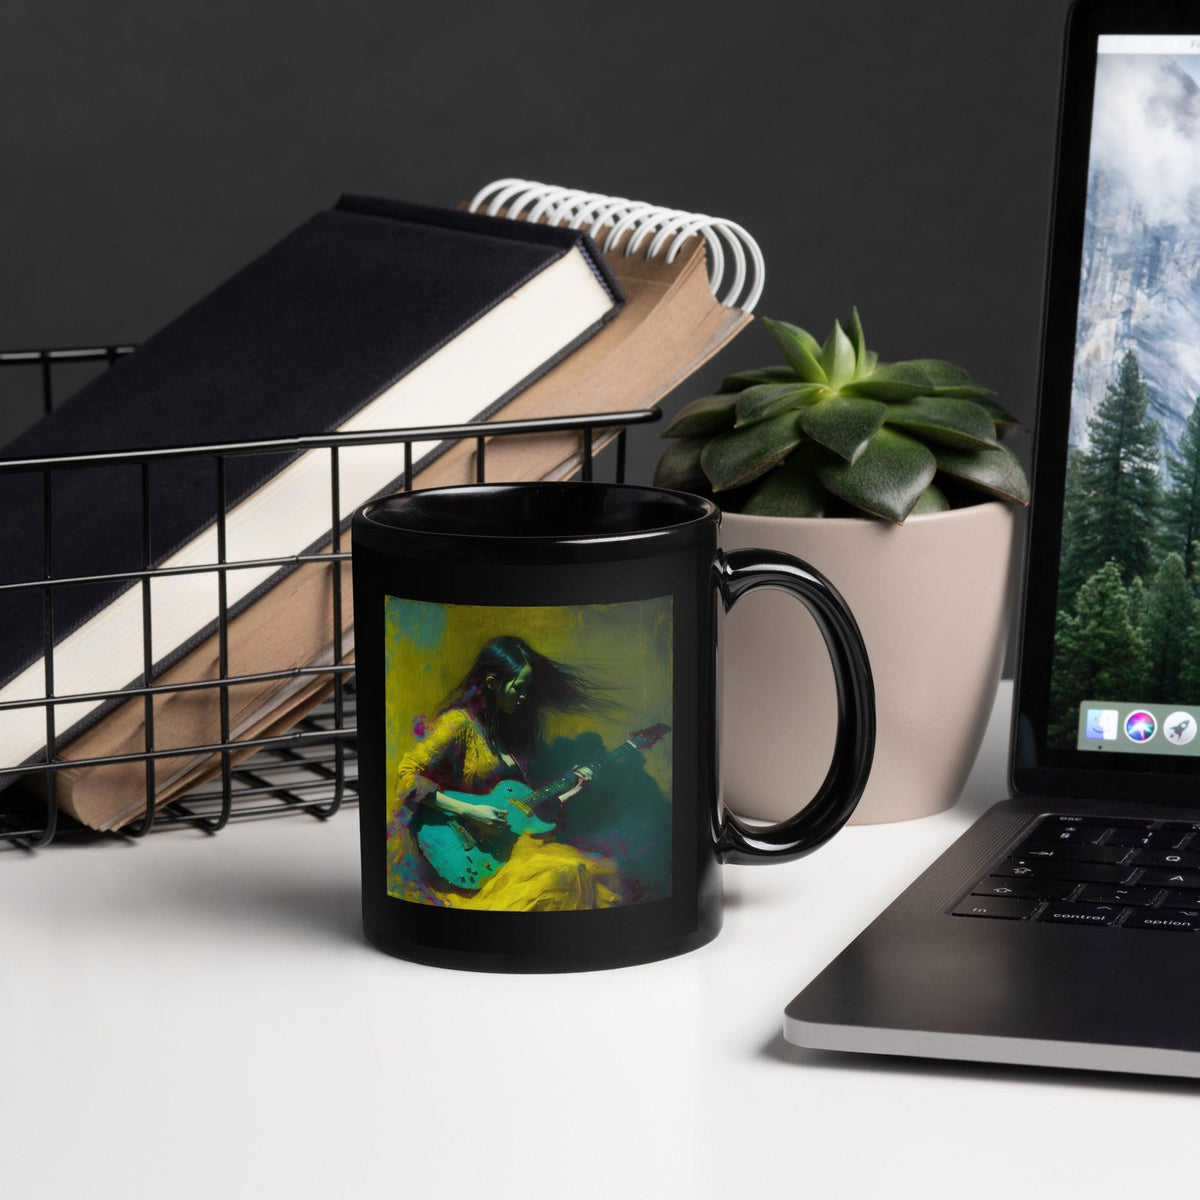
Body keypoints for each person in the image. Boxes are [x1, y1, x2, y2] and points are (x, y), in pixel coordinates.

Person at [388, 635, 623, 911]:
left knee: (603, 868)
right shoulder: (457, 724)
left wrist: (568, 793)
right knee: (567, 875)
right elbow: (406, 776)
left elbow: (516, 810)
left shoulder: (507, 731)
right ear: (491, 683)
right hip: (457, 849)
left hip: (505, 849)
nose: (524, 697)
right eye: (519, 688)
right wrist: (470, 811)